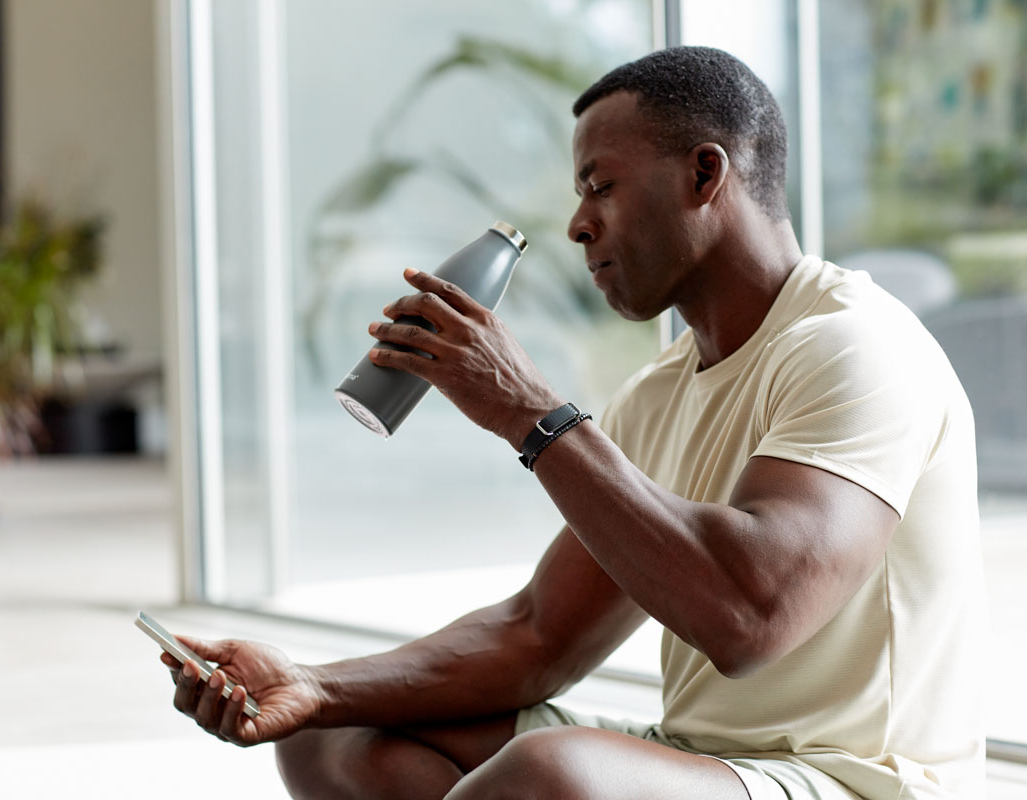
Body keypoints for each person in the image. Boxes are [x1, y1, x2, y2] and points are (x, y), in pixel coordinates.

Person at [162, 46, 985, 799]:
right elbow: (538, 635)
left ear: (706, 175)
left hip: (858, 783)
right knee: (334, 740)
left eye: (601, 185)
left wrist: (530, 413)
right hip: (712, 762)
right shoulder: (660, 393)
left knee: (550, 778)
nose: (578, 223)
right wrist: (314, 686)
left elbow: (751, 616)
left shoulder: (856, 348)